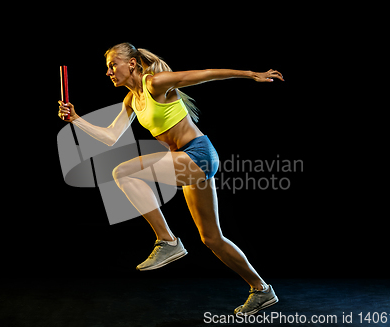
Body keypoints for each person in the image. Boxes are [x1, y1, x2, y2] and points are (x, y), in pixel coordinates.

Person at [58, 42, 284, 315]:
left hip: (198, 155)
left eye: (112, 65)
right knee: (211, 238)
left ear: (131, 64)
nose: (108, 72)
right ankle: (262, 290)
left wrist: (251, 74)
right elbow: (110, 137)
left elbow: (206, 73)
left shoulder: (156, 83)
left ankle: (168, 241)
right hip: (186, 163)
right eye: (107, 68)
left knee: (123, 172)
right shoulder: (131, 100)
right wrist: (76, 119)